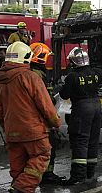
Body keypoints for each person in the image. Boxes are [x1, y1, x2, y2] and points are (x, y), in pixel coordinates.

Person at [0, 41, 62, 193]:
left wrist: (7, 127)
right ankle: (20, 189)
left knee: (18, 168)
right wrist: (55, 122)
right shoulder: (30, 77)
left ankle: (17, 187)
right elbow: (45, 105)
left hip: (12, 132)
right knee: (42, 155)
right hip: (33, 131)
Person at [59, 46, 102, 185]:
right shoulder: (95, 72)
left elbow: (64, 95)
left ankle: (78, 177)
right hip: (97, 107)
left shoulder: (72, 77)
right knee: (93, 141)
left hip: (82, 109)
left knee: (80, 141)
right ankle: (89, 173)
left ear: (72, 63)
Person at [28, 42, 65, 184]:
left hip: (33, 119)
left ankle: (43, 175)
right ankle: (45, 175)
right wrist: (54, 122)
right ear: (41, 58)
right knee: (49, 146)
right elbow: (43, 100)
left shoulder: (33, 73)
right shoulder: (36, 75)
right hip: (40, 119)